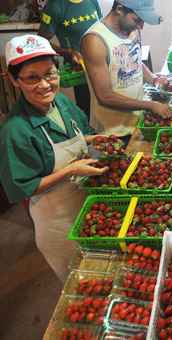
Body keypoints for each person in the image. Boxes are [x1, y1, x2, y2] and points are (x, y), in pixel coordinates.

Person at [0, 35, 108, 282]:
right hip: (59, 224)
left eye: (50, 74)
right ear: (15, 80)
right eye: (31, 78)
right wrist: (71, 170)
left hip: (87, 204)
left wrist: (97, 140)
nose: (45, 84)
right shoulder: (15, 131)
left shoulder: (61, 103)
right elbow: (22, 187)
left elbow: (81, 134)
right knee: (82, 284)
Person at [80, 0, 169, 142]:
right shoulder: (95, 40)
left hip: (137, 122)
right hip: (113, 132)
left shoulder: (131, 30)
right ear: (120, 9)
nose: (141, 26)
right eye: (137, 20)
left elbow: (134, 60)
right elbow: (105, 96)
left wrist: (153, 78)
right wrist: (150, 105)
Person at [38, 0, 103, 117]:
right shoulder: (55, 6)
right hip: (80, 69)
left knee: (105, 106)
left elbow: (101, 26)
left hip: (101, 62)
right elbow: (41, 41)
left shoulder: (92, 1)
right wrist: (67, 52)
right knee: (88, 110)